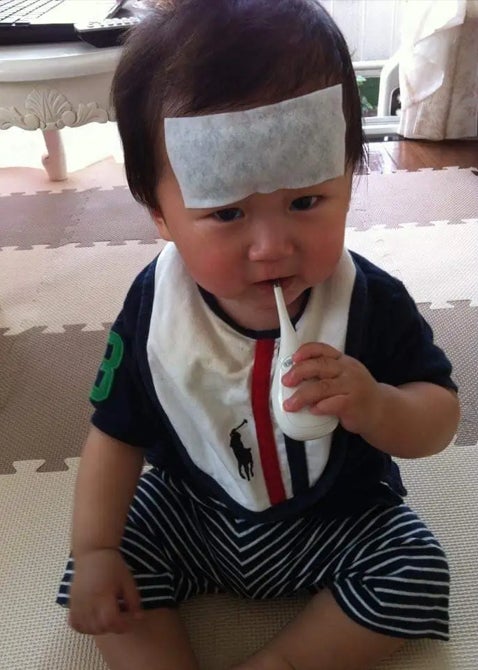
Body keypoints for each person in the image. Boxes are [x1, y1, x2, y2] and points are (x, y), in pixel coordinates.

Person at [56, 1, 460, 669]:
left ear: (349, 174)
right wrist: (95, 549)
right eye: (227, 213)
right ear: (160, 214)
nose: (272, 247)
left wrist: (377, 405)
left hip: (338, 518)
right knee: (104, 572)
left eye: (305, 201)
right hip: (193, 511)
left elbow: (439, 418)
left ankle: (280, 662)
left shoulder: (369, 301)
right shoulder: (157, 308)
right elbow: (115, 433)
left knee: (416, 571)